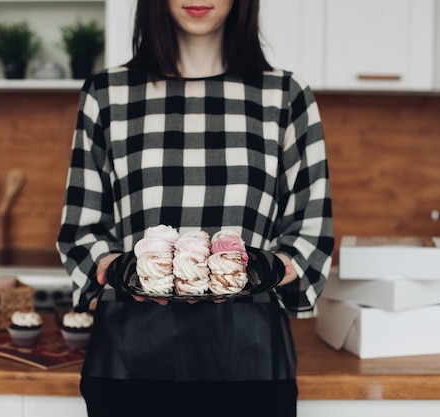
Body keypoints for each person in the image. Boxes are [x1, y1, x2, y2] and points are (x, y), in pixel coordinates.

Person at [56, 1, 334, 416]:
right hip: (128, 362)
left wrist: (269, 267)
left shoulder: (285, 96)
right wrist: (113, 266)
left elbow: (310, 230)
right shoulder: (107, 93)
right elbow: (82, 227)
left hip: (250, 360)